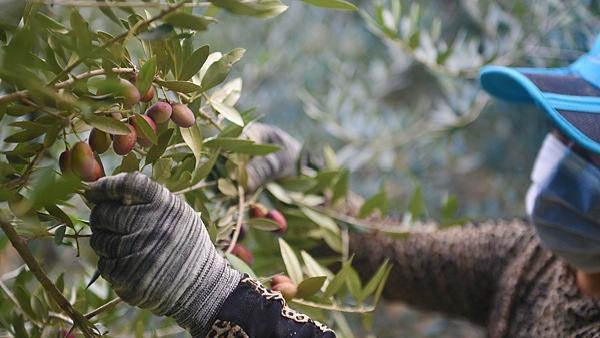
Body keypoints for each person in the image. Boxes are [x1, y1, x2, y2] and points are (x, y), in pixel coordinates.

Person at [87, 39, 600, 337]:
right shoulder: (536, 262)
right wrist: (299, 180)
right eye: (563, 130)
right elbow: (402, 257)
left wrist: (216, 301)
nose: (562, 161)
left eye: (589, 149)